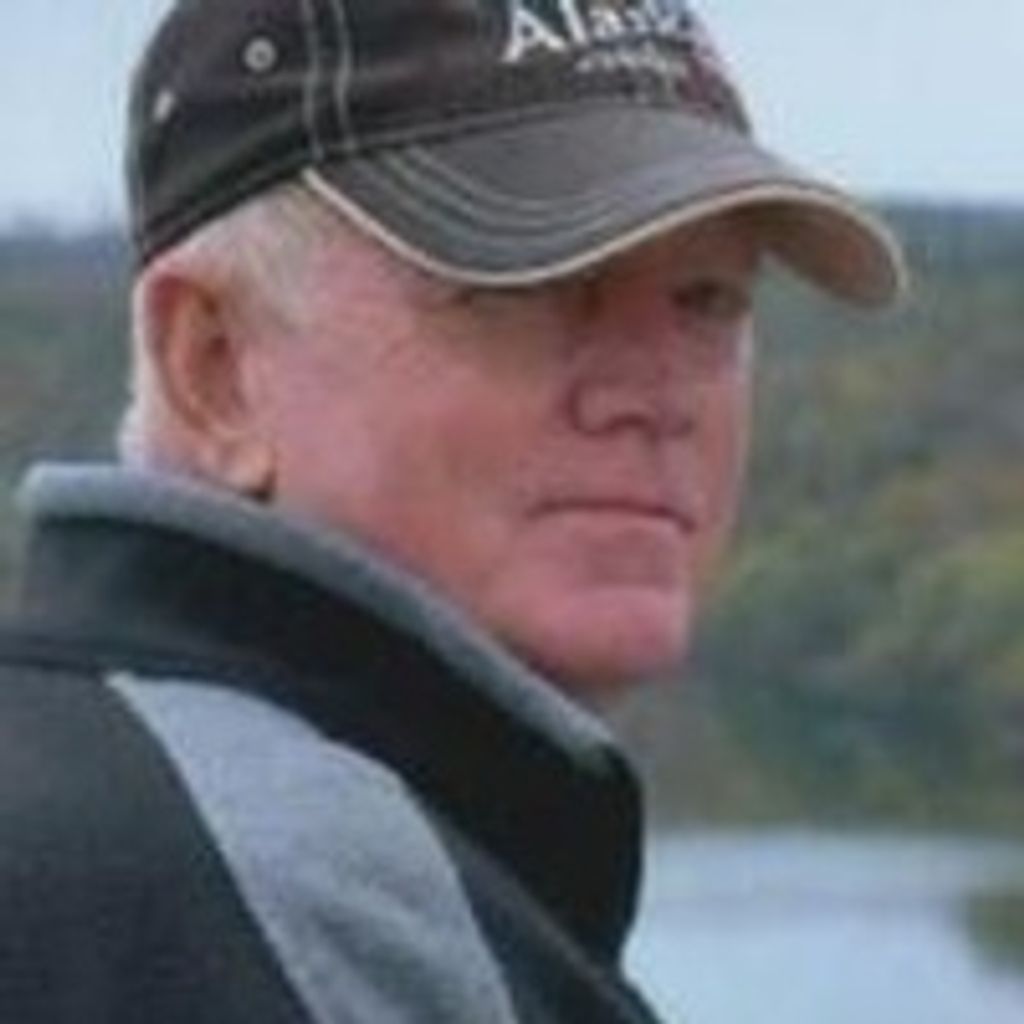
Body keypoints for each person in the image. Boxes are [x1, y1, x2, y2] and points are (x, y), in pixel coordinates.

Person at [0, 1, 905, 1021]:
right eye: (534, 285)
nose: (655, 396)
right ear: (215, 366)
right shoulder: (312, 903)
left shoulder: (94, 811)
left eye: (707, 300)